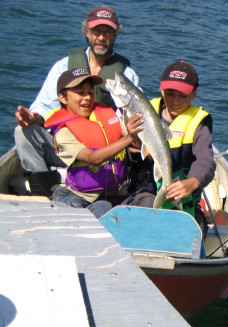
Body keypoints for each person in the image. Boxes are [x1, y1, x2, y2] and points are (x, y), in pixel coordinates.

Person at [14, 5, 139, 196]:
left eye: (108, 32)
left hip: (104, 152)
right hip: (66, 146)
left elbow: (133, 118)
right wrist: (32, 116)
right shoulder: (63, 66)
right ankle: (42, 191)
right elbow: (43, 107)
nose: (101, 37)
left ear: (115, 35)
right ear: (86, 33)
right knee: (24, 131)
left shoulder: (126, 75)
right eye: (96, 31)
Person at [122, 61, 215, 233]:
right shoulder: (142, 110)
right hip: (143, 190)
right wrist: (131, 143)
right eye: (170, 94)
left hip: (182, 195)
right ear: (161, 89)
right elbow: (126, 149)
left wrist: (193, 182)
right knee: (149, 218)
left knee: (185, 229)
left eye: (183, 95)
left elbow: (206, 161)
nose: (175, 101)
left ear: (194, 93)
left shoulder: (199, 124)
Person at [44, 68, 143, 218]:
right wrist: (129, 138)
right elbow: (93, 158)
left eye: (90, 92)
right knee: (76, 213)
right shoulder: (63, 133)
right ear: (63, 98)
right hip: (77, 195)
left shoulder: (107, 116)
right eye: (80, 92)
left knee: (104, 208)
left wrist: (136, 135)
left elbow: (134, 140)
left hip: (107, 195)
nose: (87, 98)